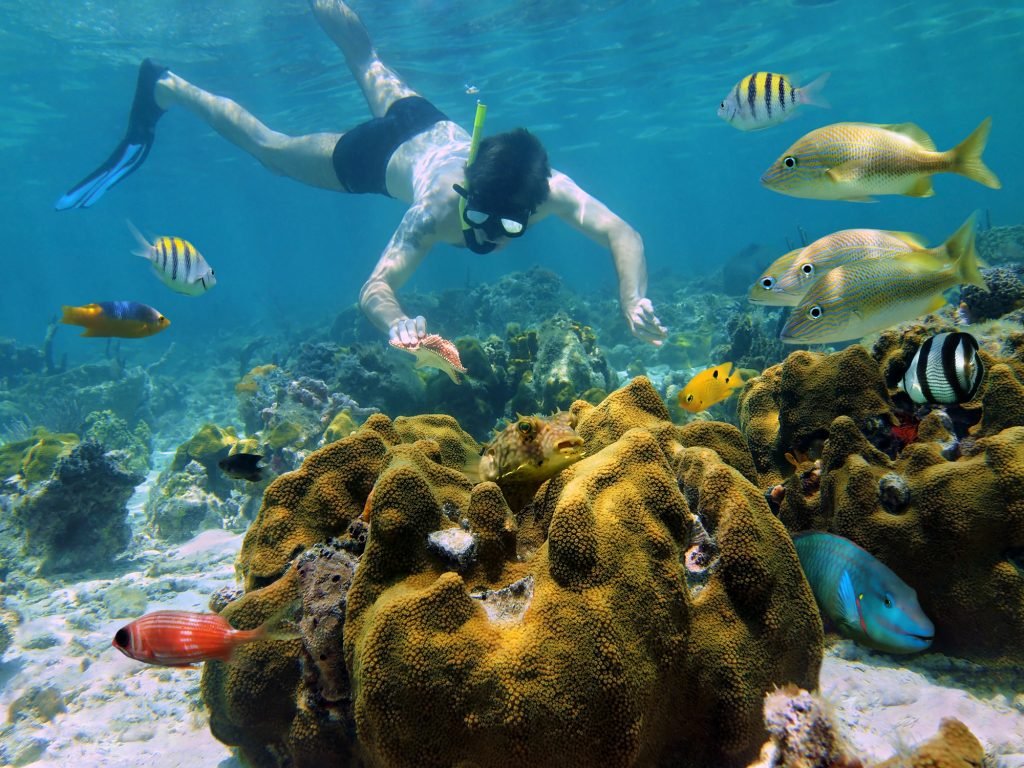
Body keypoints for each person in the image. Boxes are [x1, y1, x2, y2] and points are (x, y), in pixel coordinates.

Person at [56, 0, 668, 348]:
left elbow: (624, 234)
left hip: (424, 119)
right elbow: (374, 287)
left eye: (509, 223)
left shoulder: (550, 190)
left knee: (366, 56)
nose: (492, 234)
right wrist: (396, 322)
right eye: (477, 214)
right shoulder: (434, 208)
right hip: (377, 157)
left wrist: (632, 297)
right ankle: (167, 86)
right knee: (270, 149)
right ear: (467, 186)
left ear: (535, 204)